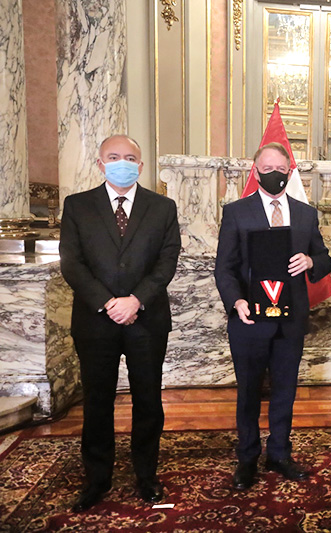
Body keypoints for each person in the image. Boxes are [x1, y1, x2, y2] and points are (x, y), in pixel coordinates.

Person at [60, 134, 181, 512]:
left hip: (147, 320)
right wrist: (108, 302)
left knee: (148, 401)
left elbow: (167, 261)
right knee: (98, 402)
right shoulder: (78, 206)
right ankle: (98, 478)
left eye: (130, 157)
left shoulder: (162, 207)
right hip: (96, 321)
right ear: (100, 164)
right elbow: (72, 264)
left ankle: (146, 476)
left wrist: (135, 300)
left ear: (141, 166)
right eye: (114, 157)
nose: (122, 163)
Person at [215, 142, 331, 490]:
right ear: (255, 170)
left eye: (281, 168)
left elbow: (324, 258)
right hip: (249, 319)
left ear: (289, 171)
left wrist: (312, 263)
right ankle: (247, 458)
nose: (274, 173)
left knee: (285, 390)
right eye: (267, 167)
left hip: (290, 319)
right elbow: (225, 268)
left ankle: (280, 452)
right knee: (249, 391)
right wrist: (236, 302)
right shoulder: (237, 212)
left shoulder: (306, 214)